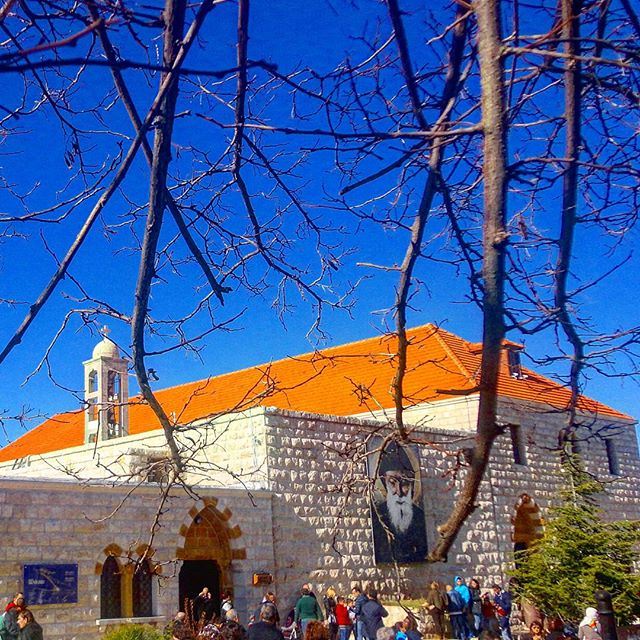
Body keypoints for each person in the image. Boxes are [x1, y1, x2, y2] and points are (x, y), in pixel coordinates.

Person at [370, 442, 428, 563]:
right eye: (392, 482)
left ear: (412, 484)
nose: (399, 492)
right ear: (384, 482)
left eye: (405, 483)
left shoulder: (419, 516)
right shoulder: (377, 516)